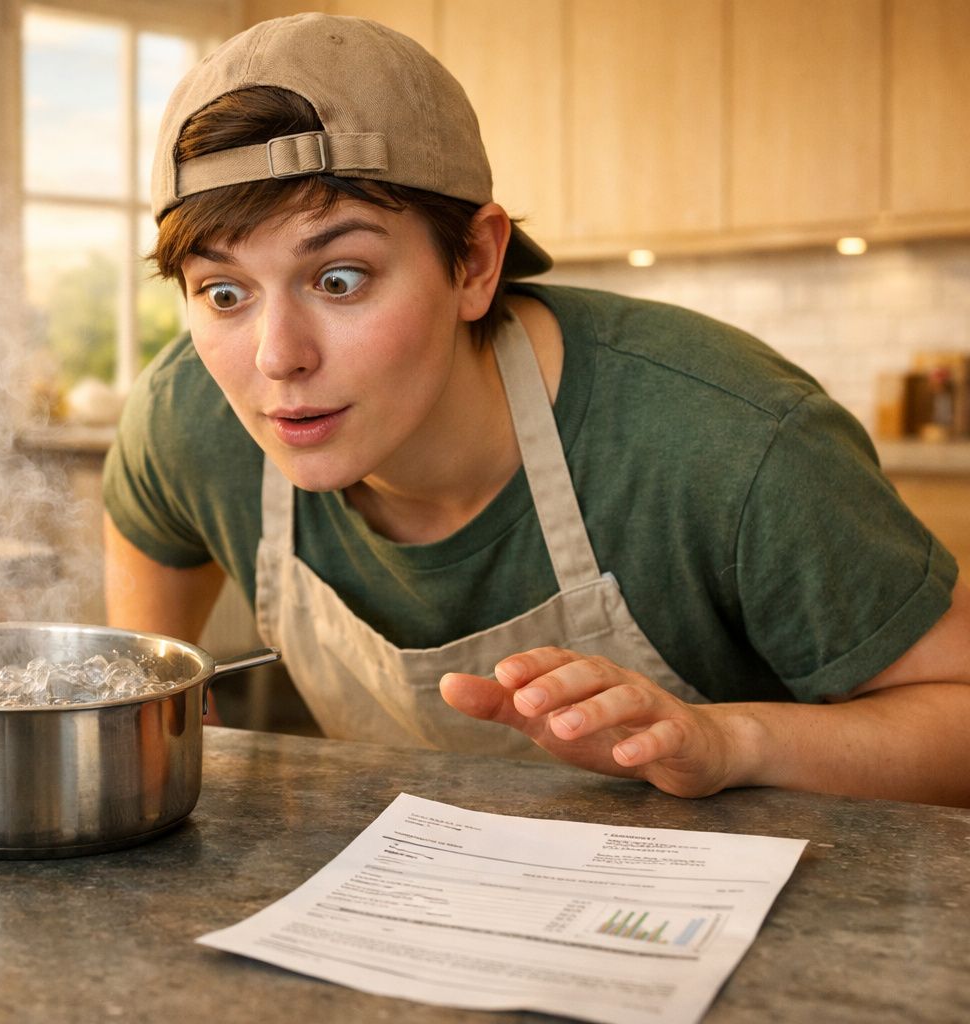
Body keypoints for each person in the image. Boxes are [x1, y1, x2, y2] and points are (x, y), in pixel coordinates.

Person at [101, 13, 970, 807]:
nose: (276, 356)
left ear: (475, 262)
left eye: (340, 279)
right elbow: (131, 706)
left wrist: (732, 740)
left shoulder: (731, 442)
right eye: (223, 292)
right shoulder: (188, 420)